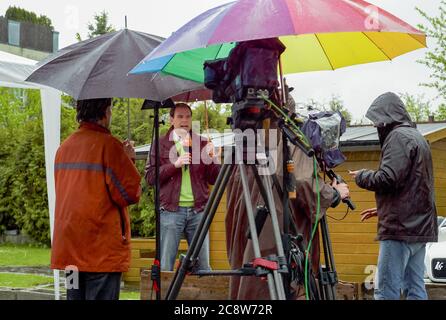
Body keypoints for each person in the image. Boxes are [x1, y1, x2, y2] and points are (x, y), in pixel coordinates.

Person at [225, 102, 350, 300]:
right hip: (277, 234)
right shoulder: (291, 138)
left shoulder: (248, 144)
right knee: (279, 286)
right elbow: (301, 180)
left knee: (250, 285)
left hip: (251, 228)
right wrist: (334, 194)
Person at [349, 92, 438, 300]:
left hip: (400, 231)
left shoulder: (397, 137)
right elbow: (413, 187)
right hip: (419, 229)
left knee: (386, 291)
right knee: (416, 290)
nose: (374, 126)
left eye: (376, 121)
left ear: (386, 118)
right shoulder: (417, 137)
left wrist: (361, 176)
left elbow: (388, 178)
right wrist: (382, 210)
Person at [51, 98, 142, 300]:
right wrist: (128, 160)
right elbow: (130, 193)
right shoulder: (109, 146)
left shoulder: (63, 148)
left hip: (70, 251)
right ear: (105, 111)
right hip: (100, 250)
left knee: (74, 296)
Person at [145, 103, 220, 271]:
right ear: (171, 119)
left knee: (203, 268)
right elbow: (150, 177)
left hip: (198, 211)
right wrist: (175, 165)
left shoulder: (202, 143)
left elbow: (214, 178)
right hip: (171, 212)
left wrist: (215, 159)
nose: (184, 120)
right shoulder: (160, 143)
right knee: (166, 267)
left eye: (187, 116)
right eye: (180, 116)